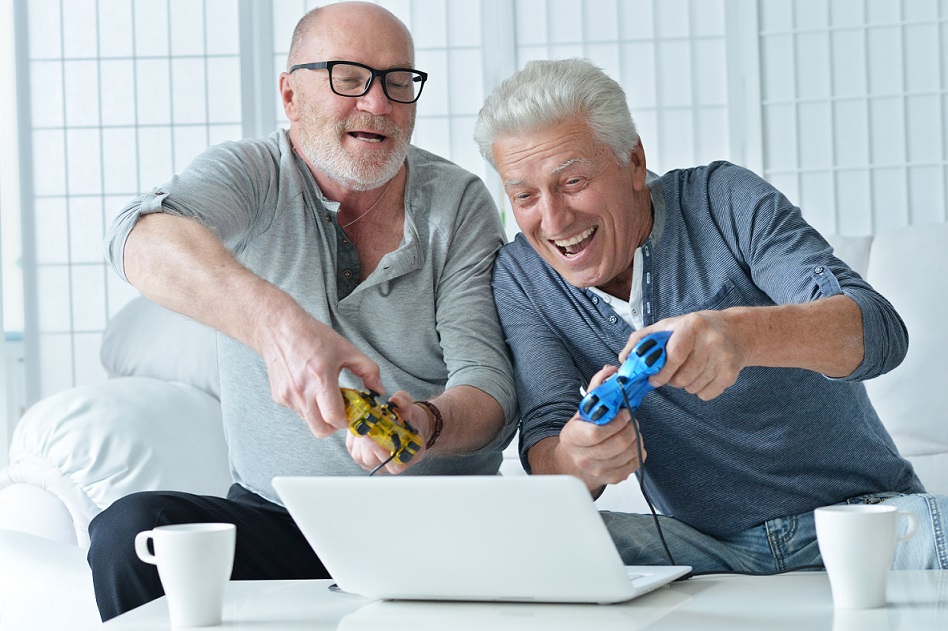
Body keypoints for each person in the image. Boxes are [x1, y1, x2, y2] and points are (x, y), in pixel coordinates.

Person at [89, 2, 516, 621]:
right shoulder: (253, 176)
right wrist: (277, 325)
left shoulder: (457, 202)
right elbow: (137, 235)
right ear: (291, 95)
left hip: (436, 526)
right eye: (349, 77)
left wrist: (425, 422)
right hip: (283, 523)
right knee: (132, 532)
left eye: (399, 81)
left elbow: (490, 389)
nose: (378, 103)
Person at [473, 58, 947, 574]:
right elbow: (547, 443)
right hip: (700, 544)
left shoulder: (722, 199)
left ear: (633, 162)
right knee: (514, 546)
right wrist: (581, 459)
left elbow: (879, 330)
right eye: (524, 196)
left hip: (855, 522)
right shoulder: (521, 276)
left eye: (573, 181)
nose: (554, 219)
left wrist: (741, 335)